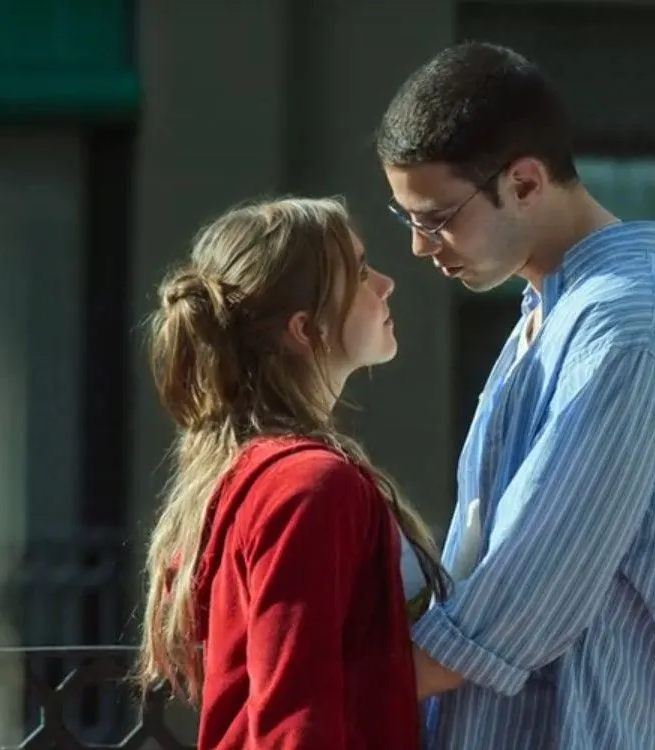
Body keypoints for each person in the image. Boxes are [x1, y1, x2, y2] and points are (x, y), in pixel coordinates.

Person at [376, 42, 655, 749]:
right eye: (409, 220)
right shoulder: (553, 316)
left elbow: (528, 588)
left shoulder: (629, 323)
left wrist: (324, 685)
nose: (422, 247)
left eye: (437, 216)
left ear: (527, 183)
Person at [133, 197, 451, 749]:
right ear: (305, 330)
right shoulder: (308, 486)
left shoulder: (245, 474)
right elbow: (294, 721)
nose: (386, 283)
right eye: (359, 271)